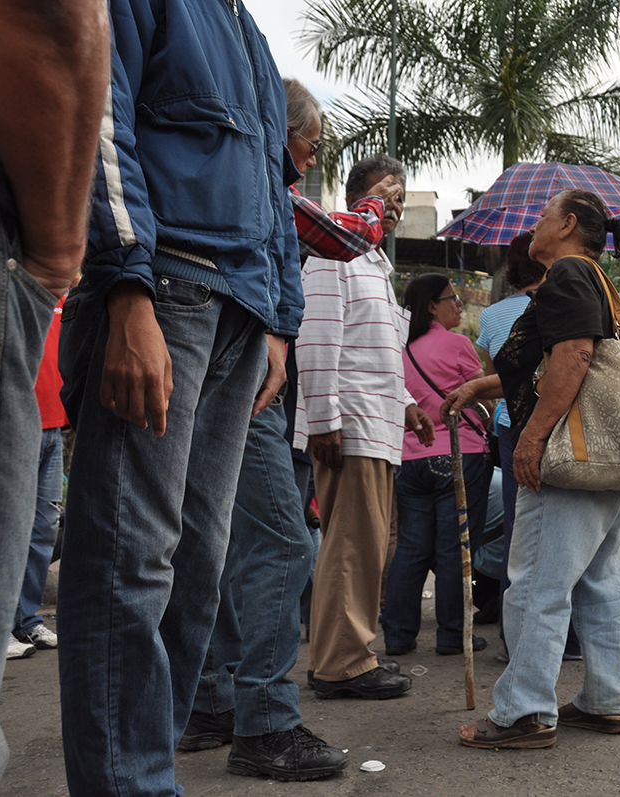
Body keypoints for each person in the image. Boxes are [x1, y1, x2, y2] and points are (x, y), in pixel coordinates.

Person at [56, 1, 301, 792]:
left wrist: (280, 321)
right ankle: (129, 782)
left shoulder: (248, 32)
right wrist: (126, 283)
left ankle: (144, 769)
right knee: (132, 557)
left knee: (196, 565)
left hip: (239, 308)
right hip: (166, 285)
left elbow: (273, 179)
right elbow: (98, 110)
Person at [180, 80, 407, 780]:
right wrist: (326, 418)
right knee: (287, 541)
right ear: (282, 135)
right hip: (265, 389)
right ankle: (268, 715)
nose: (309, 159)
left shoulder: (234, 177)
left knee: (220, 543)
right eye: (309, 144)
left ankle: (216, 700)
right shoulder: (264, 183)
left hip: (249, 370)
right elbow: (330, 316)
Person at [446, 189, 620, 749]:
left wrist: (531, 439)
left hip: (572, 462)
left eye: (543, 216)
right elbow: (551, 357)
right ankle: (605, 700)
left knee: (537, 583)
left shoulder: (568, 275)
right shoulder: (593, 281)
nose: (535, 225)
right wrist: (482, 385)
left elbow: (576, 356)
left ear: (569, 225)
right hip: (614, 462)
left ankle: (524, 712)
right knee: (601, 584)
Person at [0, 4, 106, 790]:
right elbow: (55, 21)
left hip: (48, 408)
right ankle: (23, 617)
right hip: (26, 365)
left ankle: (23, 616)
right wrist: (58, 246)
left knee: (36, 522)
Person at [295, 154, 434, 699]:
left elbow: (373, 352)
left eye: (401, 197)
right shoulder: (335, 254)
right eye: (385, 194)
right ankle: (341, 663)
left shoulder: (374, 263)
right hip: (349, 426)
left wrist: (405, 404)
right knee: (352, 546)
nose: (394, 206)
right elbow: (319, 338)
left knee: (367, 545)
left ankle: (350, 653)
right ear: (357, 198)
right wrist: (325, 421)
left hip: (375, 425)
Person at [382, 273, 491, 656]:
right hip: (459, 453)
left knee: (411, 546)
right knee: (455, 547)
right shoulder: (459, 345)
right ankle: (451, 634)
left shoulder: (399, 348)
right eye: (453, 298)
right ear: (432, 305)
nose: (459, 304)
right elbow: (486, 398)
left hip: (409, 458)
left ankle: (397, 634)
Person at [475, 233, 547, 655]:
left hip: (509, 426)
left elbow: (494, 384)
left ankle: (510, 637)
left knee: (517, 533)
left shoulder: (492, 316)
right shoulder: (563, 305)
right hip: (553, 420)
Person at [10, 295, 69, 660]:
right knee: (5, 529)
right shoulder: (16, 287)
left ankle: (26, 619)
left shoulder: (64, 298)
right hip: (16, 423)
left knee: (44, 526)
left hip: (52, 429)